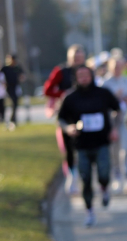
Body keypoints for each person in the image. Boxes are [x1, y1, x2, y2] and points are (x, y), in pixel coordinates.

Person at [57, 66, 121, 227]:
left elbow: (117, 110)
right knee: (85, 180)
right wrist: (68, 128)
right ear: (76, 78)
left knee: (104, 174)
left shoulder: (103, 93)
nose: (84, 78)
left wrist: (113, 128)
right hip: (81, 145)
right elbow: (61, 119)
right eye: (80, 76)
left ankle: (105, 188)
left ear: (91, 76)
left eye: (86, 75)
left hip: (102, 142)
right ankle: (90, 211)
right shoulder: (70, 97)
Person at [44, 44, 87, 194]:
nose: (77, 60)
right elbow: (48, 89)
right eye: (75, 57)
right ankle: (72, 176)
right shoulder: (61, 71)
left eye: (80, 57)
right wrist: (63, 93)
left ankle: (86, 177)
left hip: (85, 113)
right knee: (68, 147)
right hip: (67, 114)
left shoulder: (87, 70)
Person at [102, 56, 127, 194]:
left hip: (125, 119)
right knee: (114, 150)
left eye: (119, 66)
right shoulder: (105, 83)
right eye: (114, 66)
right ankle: (117, 175)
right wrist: (114, 99)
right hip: (111, 121)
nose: (117, 69)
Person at [0, 54, 25, 129]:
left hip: (16, 87)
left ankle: (13, 119)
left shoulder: (17, 67)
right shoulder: (5, 68)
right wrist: (3, 83)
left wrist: (22, 78)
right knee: (13, 101)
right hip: (8, 88)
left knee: (15, 103)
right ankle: (10, 120)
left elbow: (22, 75)